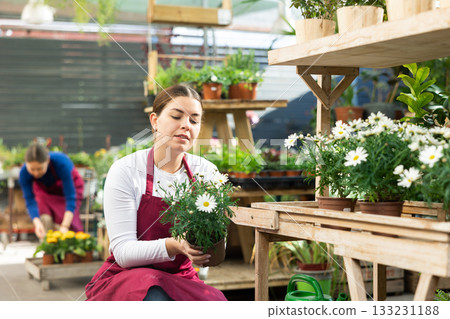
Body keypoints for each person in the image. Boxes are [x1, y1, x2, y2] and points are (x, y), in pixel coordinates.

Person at [85, 85, 227, 301]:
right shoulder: (126, 170)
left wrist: (210, 247)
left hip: (181, 278)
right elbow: (123, 253)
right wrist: (174, 245)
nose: (186, 125)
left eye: (194, 120)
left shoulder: (206, 172)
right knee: (154, 296)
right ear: (154, 121)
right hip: (128, 277)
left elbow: (215, 241)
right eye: (176, 116)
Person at [19, 144, 84, 239]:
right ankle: (47, 247)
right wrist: (37, 223)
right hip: (46, 192)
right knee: (44, 216)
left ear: (47, 161)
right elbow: (30, 200)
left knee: (69, 224)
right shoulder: (24, 173)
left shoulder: (61, 163)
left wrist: (65, 226)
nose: (36, 173)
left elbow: (70, 197)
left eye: (40, 168)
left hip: (70, 190)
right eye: (32, 169)